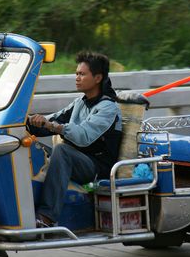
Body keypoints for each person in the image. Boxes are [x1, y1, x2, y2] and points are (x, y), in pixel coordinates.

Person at [28, 51, 122, 227]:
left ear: (98, 78)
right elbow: (54, 119)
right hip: (77, 159)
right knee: (33, 148)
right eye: (76, 73)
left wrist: (52, 126)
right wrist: (27, 122)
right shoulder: (79, 102)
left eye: (82, 74)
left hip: (96, 167)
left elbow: (83, 136)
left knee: (62, 151)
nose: (77, 77)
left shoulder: (108, 108)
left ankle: (47, 216)